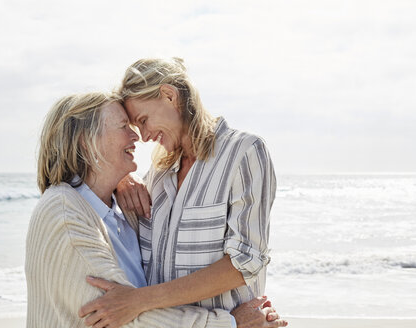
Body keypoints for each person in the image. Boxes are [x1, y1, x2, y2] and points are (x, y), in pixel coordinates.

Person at [25, 92, 286, 327]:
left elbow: (142, 294)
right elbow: (117, 316)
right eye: (123, 126)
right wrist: (231, 323)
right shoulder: (61, 210)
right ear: (86, 141)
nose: (136, 136)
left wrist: (119, 181)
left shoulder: (123, 213)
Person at [79, 58, 279, 327]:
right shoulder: (158, 174)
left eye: (144, 120)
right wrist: (120, 178)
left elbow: (243, 262)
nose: (145, 136)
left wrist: (139, 300)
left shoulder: (243, 152)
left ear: (169, 96)